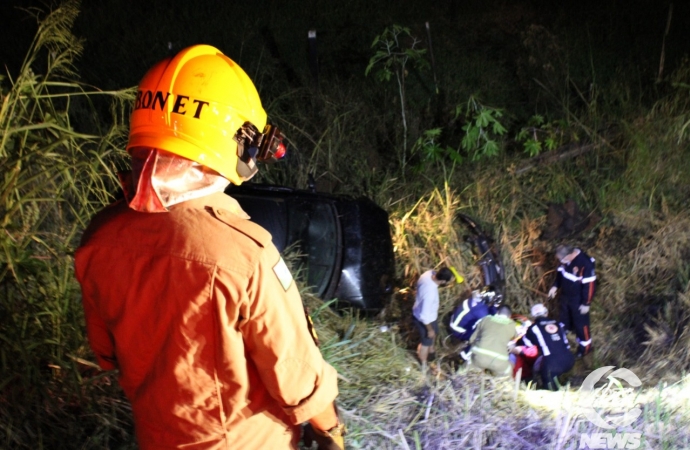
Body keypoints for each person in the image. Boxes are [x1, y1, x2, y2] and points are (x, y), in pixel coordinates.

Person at [75, 45, 344, 450]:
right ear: (237, 144)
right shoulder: (245, 256)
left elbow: (107, 353)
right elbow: (297, 379)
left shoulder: (99, 238)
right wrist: (332, 433)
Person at [548, 244, 597, 357]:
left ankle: (585, 348)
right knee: (564, 318)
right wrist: (556, 286)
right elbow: (560, 273)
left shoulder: (585, 263)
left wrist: (586, 303)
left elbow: (589, 286)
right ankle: (563, 339)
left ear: (569, 255)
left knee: (581, 324)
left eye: (562, 259)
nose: (561, 261)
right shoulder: (564, 260)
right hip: (565, 296)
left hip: (578, 299)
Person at [514, 303, 575, 391]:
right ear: (546, 313)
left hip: (552, 363)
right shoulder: (558, 324)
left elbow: (524, 344)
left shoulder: (533, 328)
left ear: (533, 317)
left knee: (549, 387)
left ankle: (551, 389)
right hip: (569, 359)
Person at [412, 267, 454, 366]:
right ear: (443, 281)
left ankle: (431, 353)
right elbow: (424, 316)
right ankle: (423, 364)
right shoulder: (430, 294)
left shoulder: (427, 274)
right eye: (448, 282)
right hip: (424, 320)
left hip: (428, 315)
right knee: (425, 342)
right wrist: (429, 330)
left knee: (433, 335)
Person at [468, 305, 517, 376]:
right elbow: (515, 336)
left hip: (479, 357)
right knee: (507, 374)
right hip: (499, 362)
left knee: (466, 370)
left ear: (497, 312)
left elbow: (472, 339)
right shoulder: (511, 324)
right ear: (509, 316)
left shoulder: (486, 319)